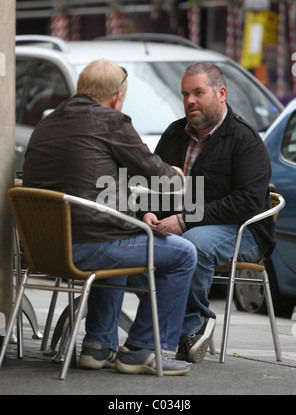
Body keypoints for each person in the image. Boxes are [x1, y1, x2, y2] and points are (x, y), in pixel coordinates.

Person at [22, 59, 197, 376]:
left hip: (45, 249)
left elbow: (85, 181)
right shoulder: (112, 122)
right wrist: (176, 173)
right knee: (184, 253)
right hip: (89, 246)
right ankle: (143, 349)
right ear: (117, 97)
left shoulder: (46, 123)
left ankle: (98, 346)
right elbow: (164, 181)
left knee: (117, 235)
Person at [139, 62, 276, 363]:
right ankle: (145, 334)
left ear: (221, 93)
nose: (190, 101)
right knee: (137, 242)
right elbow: (153, 184)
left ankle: (191, 328)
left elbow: (247, 202)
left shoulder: (244, 139)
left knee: (194, 244)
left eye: (198, 92)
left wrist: (186, 219)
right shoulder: (175, 134)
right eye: (185, 94)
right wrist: (148, 212)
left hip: (244, 230)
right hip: (187, 224)